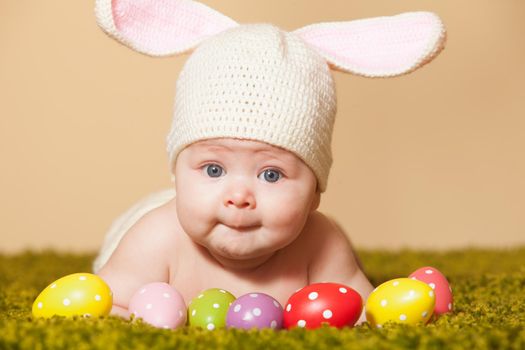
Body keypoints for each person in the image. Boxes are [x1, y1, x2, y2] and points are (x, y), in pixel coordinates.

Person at [92, 0, 446, 326]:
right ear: (176, 174)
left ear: (314, 194)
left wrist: (401, 307)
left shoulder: (321, 244)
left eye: (271, 174)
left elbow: (362, 311)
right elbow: (106, 305)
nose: (239, 196)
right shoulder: (155, 239)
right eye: (213, 170)